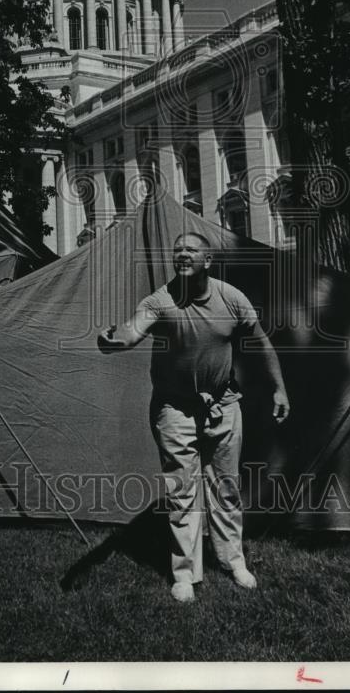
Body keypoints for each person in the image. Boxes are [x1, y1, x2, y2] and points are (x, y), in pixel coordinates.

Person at [97, 231, 290, 603]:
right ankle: (185, 574)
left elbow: (261, 342)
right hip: (175, 409)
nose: (182, 254)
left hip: (223, 405)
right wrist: (113, 341)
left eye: (191, 250)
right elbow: (133, 329)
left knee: (225, 488)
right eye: (177, 250)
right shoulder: (161, 299)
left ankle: (233, 561)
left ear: (207, 261)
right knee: (182, 492)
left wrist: (279, 388)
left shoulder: (230, 298)